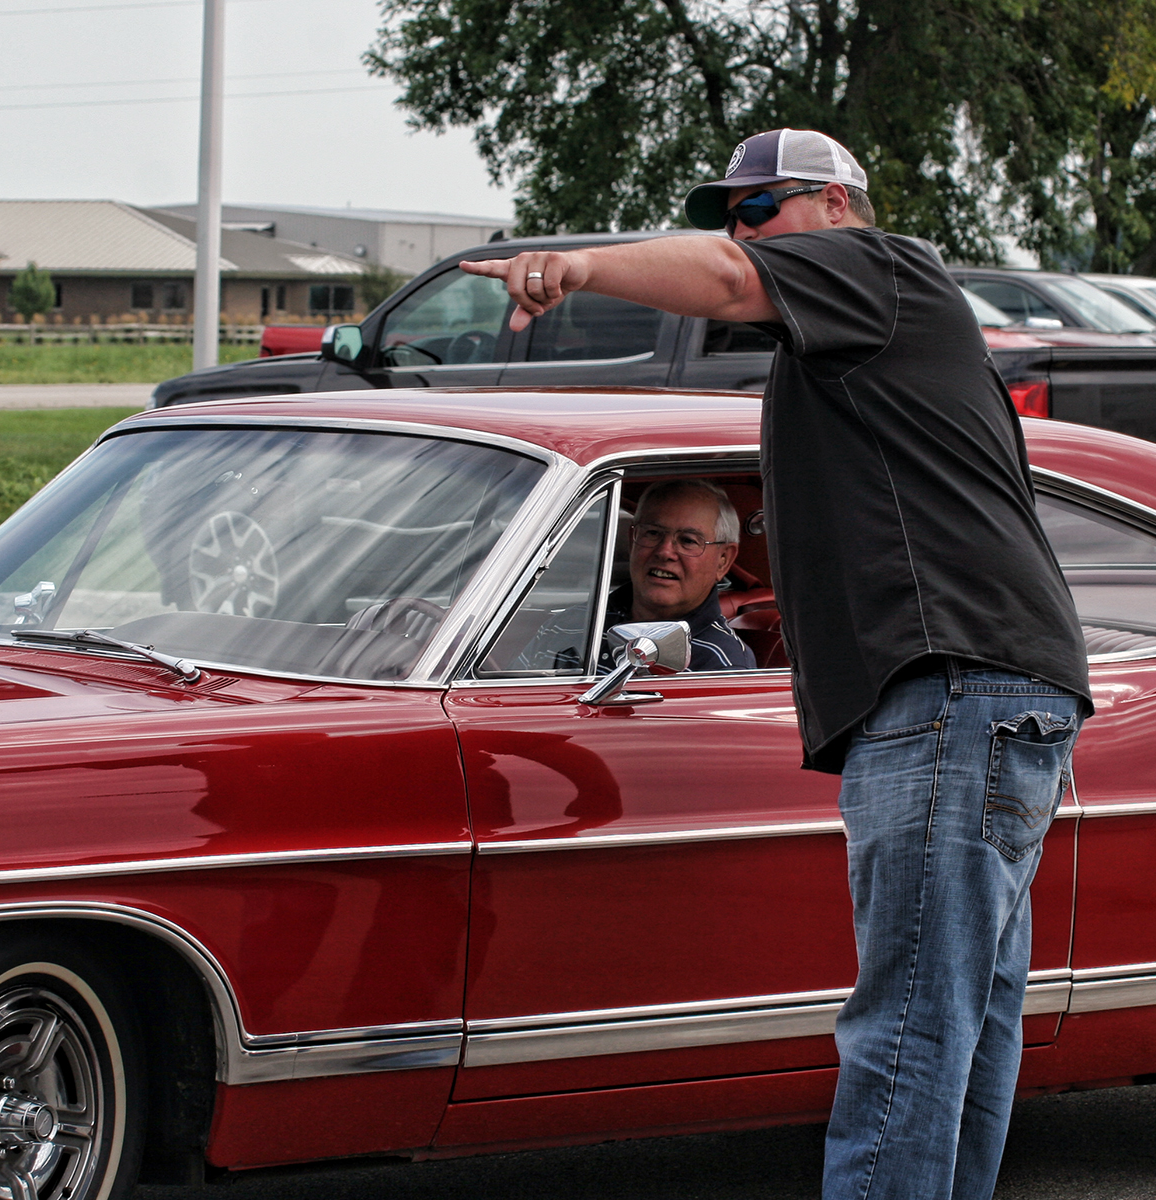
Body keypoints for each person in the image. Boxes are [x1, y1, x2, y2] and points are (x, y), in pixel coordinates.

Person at [461, 127, 1091, 1200]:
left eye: (762, 209)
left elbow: (720, 277)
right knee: (962, 1017)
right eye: (730, 211)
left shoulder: (883, 268)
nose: (740, 229)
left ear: (837, 206)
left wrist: (576, 264)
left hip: (948, 692)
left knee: (907, 1029)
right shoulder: (852, 355)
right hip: (985, 691)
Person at [608, 478, 755, 671]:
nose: (665, 552)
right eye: (653, 533)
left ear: (723, 561)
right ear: (632, 540)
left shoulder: (722, 665)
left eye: (688, 540)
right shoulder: (577, 622)